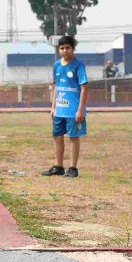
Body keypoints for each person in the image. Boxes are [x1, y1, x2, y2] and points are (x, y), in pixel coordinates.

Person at [44, 35, 87, 178]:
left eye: (67, 48)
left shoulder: (78, 65)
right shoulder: (56, 65)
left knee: (73, 137)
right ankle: (58, 166)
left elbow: (84, 88)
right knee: (57, 136)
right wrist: (53, 107)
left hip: (73, 110)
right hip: (59, 110)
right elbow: (56, 86)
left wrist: (80, 110)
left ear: (73, 49)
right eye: (62, 48)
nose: (64, 51)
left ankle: (73, 168)